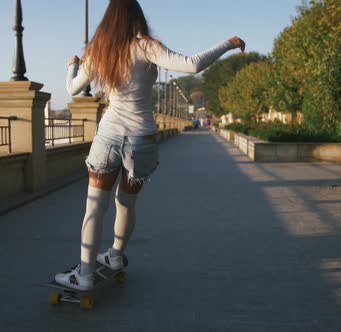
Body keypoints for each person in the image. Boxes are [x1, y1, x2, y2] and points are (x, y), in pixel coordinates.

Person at [55, 0, 245, 291]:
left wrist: (72, 66)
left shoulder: (99, 51)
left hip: (109, 136)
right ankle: (116, 256)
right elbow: (192, 65)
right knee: (126, 204)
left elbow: (73, 88)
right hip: (142, 138)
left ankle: (84, 274)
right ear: (137, 16)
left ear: (108, 19)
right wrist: (227, 43)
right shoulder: (146, 46)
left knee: (95, 207)